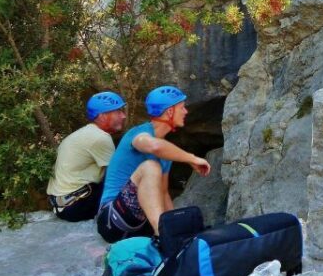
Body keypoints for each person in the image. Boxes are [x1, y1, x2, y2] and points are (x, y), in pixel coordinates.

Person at [96, 85, 211, 243]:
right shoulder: (139, 134)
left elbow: (164, 194)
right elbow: (154, 146)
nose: (186, 112)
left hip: (138, 226)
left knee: (183, 227)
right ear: (170, 111)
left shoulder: (165, 151)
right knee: (151, 166)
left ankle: (167, 235)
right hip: (112, 220)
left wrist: (176, 227)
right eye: (182, 108)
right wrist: (192, 158)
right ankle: (163, 236)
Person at [47, 91, 127, 222]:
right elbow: (118, 175)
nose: (123, 116)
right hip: (74, 207)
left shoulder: (86, 132)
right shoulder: (100, 138)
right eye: (118, 112)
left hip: (63, 204)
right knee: (130, 180)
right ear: (102, 116)